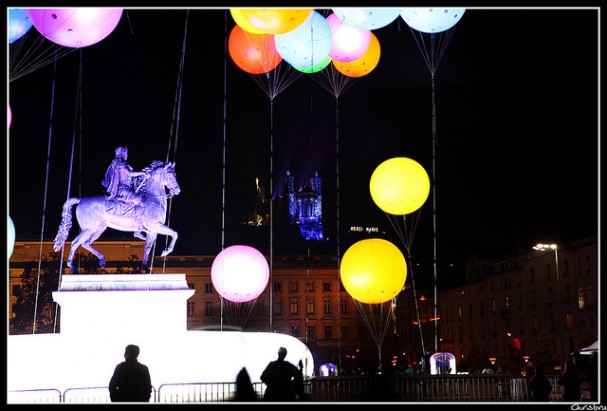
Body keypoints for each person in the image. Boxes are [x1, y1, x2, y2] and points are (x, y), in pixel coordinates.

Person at [102, 146, 149, 237]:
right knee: (140, 201)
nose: (126, 154)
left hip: (126, 188)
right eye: (125, 152)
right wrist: (143, 173)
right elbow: (130, 174)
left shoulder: (117, 163)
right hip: (122, 190)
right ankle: (139, 228)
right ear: (122, 153)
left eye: (126, 152)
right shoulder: (120, 162)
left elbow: (130, 179)